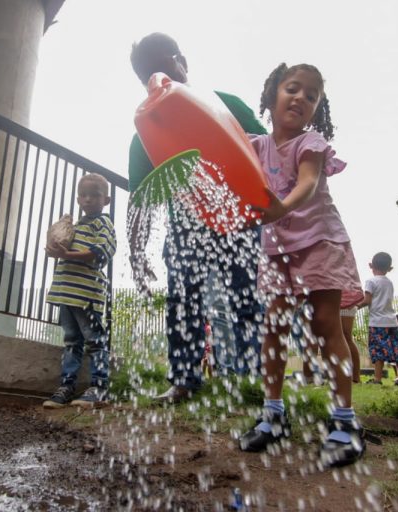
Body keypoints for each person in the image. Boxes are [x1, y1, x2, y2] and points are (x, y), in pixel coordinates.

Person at [237, 62, 366, 468]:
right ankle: (273, 413)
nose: (302, 98)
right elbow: (225, 161)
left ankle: (344, 421)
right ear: (272, 94)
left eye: (312, 96)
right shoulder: (256, 146)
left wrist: (280, 208)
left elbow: (308, 183)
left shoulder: (310, 143)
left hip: (318, 241)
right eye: (293, 88)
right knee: (274, 326)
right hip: (278, 250)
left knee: (324, 324)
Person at [127, 33, 267, 403]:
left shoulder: (224, 104)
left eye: (164, 66)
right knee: (183, 302)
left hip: (241, 219)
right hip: (186, 229)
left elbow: (270, 155)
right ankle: (184, 379)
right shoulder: (146, 133)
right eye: (148, 75)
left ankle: (250, 379)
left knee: (247, 298)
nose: (158, 79)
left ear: (182, 61)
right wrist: (136, 253)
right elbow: (140, 199)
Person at [43, 174, 117, 408]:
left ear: (106, 200)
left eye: (94, 195)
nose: (88, 199)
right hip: (66, 293)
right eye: (83, 195)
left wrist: (65, 255)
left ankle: (100, 387)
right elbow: (62, 250)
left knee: (95, 340)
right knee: (71, 341)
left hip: (87, 295)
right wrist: (55, 247)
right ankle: (67, 386)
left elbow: (99, 253)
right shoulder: (75, 227)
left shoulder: (102, 224)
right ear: (78, 199)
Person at [357, 252, 398, 386]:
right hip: (392, 322)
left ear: (370, 265)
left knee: (377, 351)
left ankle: (377, 379)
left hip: (377, 323)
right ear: (389, 269)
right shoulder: (389, 283)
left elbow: (367, 300)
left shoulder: (370, 281)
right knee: (397, 351)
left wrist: (355, 307)